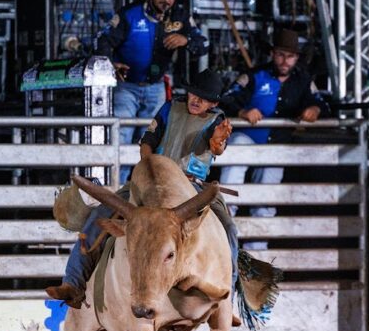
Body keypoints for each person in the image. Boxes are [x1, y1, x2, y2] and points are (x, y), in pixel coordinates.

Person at [46, 69, 234, 309]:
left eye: (204, 98)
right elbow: (148, 141)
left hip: (191, 186)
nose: (196, 100)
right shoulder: (170, 107)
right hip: (152, 180)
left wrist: (217, 142)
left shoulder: (218, 122)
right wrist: (150, 168)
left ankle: (230, 295)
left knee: (229, 229)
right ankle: (73, 284)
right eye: (193, 94)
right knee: (99, 215)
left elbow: (217, 148)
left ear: (214, 104)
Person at [95, 0, 207, 182]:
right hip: (126, 87)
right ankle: (117, 190)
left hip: (156, 88)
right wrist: (111, 64)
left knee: (153, 144)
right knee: (122, 139)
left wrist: (186, 40)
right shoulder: (129, 13)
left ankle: (144, 192)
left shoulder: (180, 16)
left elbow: (203, 44)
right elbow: (102, 40)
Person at [218, 29, 326, 250]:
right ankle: (223, 243)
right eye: (280, 54)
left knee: (266, 201)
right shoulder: (254, 75)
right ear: (272, 54)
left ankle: (258, 255)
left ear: (296, 58)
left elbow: (321, 102)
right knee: (234, 165)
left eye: (290, 56)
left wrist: (314, 109)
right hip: (248, 137)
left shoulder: (303, 81)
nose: (285, 61)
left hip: (276, 144)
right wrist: (242, 112)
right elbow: (227, 97)